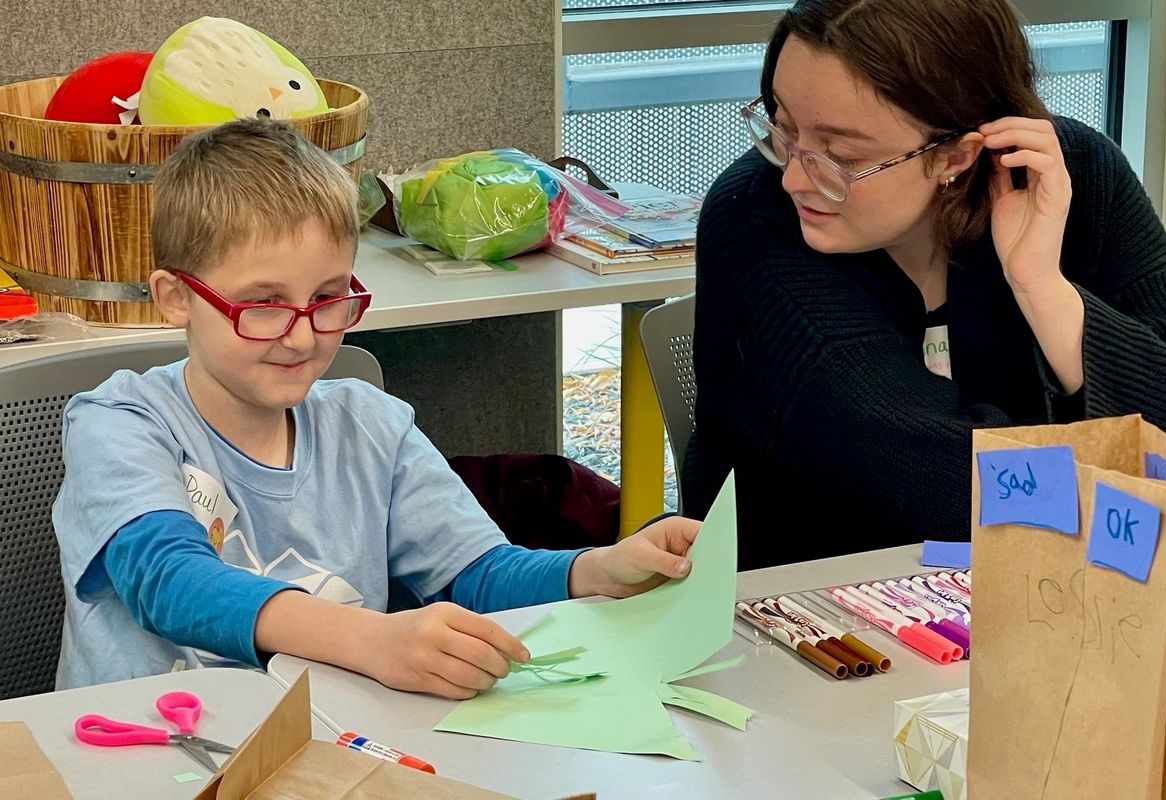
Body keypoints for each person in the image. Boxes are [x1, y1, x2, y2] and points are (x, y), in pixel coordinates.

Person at [53, 118, 701, 694]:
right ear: (175, 298)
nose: (304, 336)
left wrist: (598, 571)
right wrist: (371, 639)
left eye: (329, 298)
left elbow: (477, 574)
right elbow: (168, 581)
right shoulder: (118, 422)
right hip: (143, 758)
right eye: (265, 305)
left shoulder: (370, 425)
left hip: (326, 750)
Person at [683, 0, 1166, 569]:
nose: (796, 175)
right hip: (813, 615)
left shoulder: (1070, 176)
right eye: (782, 128)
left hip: (1063, 598)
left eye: (841, 153)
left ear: (957, 153)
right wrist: (1135, 475)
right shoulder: (757, 219)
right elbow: (946, 483)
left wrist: (1045, 292)